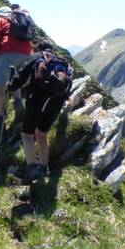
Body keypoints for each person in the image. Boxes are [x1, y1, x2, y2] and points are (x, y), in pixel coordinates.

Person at [7, 41, 73, 182]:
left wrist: (10, 86)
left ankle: (32, 169)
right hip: (56, 104)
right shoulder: (63, 64)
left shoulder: (37, 57)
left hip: (38, 101)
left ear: (38, 49)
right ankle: (43, 168)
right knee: (42, 133)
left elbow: (20, 78)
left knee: (27, 134)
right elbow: (67, 88)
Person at [0, 6, 32, 133]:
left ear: (0, 14)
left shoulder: (0, 21)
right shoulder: (21, 21)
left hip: (9, 53)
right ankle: (20, 109)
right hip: (27, 55)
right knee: (14, 81)